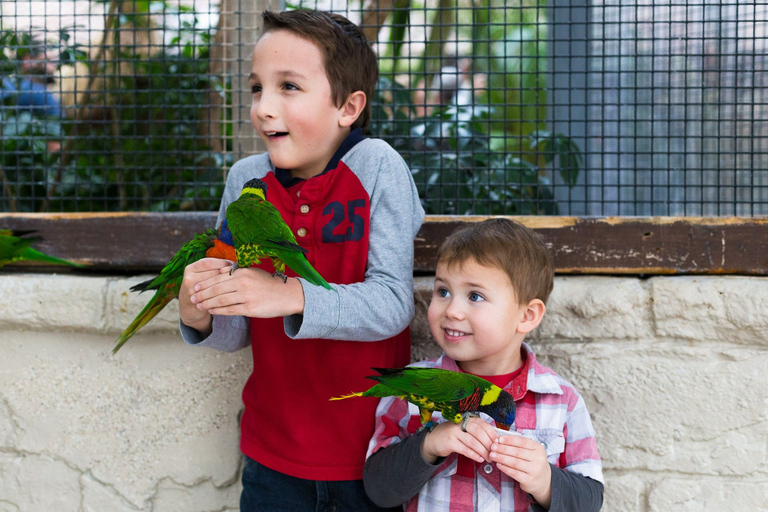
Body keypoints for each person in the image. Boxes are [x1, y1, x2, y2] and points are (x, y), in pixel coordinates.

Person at [177, 9, 425, 512]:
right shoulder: (244, 180)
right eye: (256, 88)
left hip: (373, 458)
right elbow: (237, 330)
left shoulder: (378, 167)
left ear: (348, 106)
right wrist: (199, 313)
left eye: (288, 87)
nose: (264, 107)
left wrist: (289, 295)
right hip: (271, 459)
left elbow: (394, 303)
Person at [363, 218, 604, 511]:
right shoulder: (410, 386)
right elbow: (378, 489)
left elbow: (590, 500)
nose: (452, 310)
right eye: (443, 291)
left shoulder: (562, 401)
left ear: (527, 315)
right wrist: (430, 444)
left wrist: (544, 481)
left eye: (475, 296)